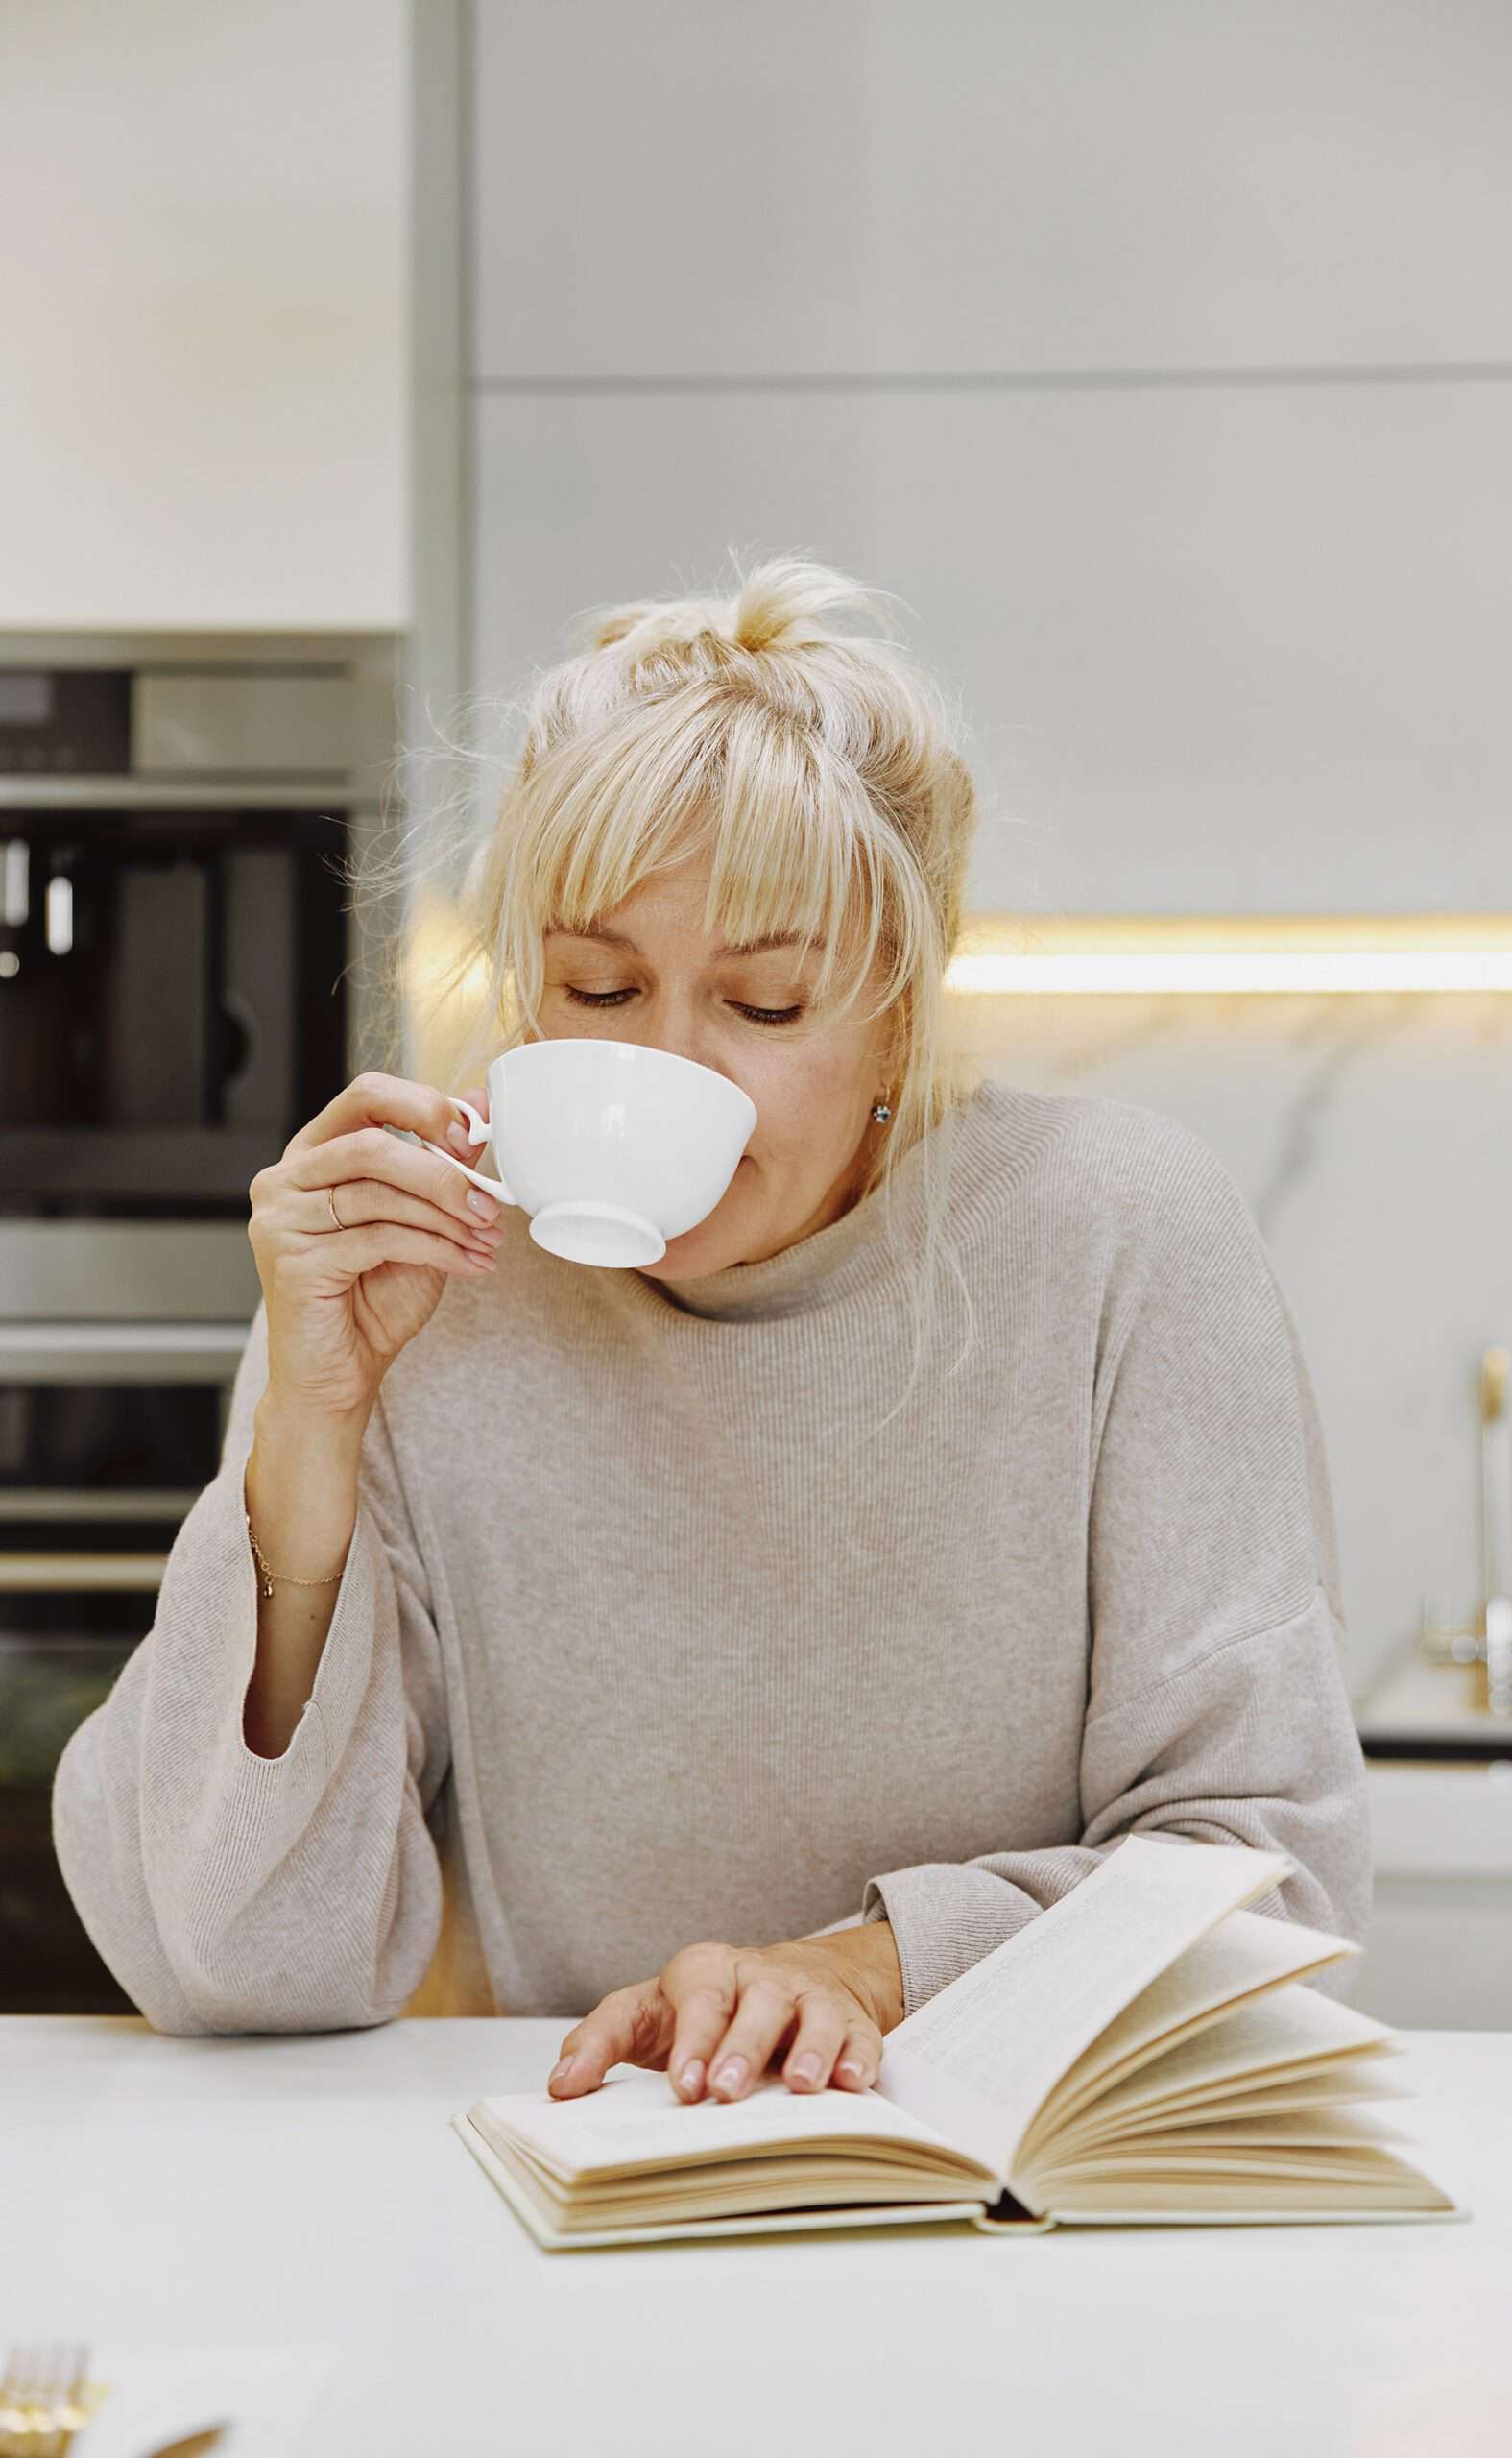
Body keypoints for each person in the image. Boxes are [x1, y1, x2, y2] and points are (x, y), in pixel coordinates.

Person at [52, 553, 1370, 2108]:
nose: (669, 1068)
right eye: (598, 988)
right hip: (597, 2199)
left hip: (1026, 2210)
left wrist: (864, 1971)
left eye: (764, 1007)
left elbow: (1270, 1891)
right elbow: (245, 1965)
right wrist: (304, 1440)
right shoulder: (421, 1287)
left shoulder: (1119, 1240)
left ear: (902, 1003)